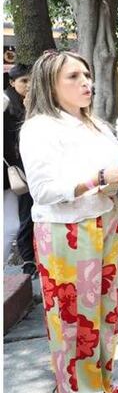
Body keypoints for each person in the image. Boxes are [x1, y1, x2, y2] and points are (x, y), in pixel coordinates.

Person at [19, 50, 118, 393]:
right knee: (73, 318)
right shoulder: (39, 128)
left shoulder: (96, 124)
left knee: (104, 313)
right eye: (73, 77)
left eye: (86, 74)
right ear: (50, 84)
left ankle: (102, 385)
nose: (86, 82)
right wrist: (99, 178)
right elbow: (43, 190)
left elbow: (108, 174)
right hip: (66, 230)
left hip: (104, 221)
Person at [3, 63, 36, 275]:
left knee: (21, 217)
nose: (28, 85)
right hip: (15, 169)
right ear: (12, 82)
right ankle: (27, 260)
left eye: (31, 80)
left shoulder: (31, 104)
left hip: (29, 166)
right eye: (24, 81)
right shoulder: (6, 105)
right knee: (20, 218)